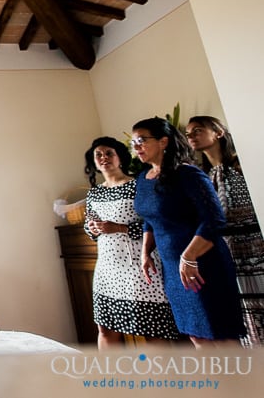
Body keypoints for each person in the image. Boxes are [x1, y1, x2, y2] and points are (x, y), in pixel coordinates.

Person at [131, 117, 245, 347]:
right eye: (133, 142)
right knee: (196, 334)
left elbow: (214, 220)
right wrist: (145, 253)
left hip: (204, 264)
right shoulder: (143, 179)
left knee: (220, 334)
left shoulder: (188, 174)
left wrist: (189, 256)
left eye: (142, 140)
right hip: (173, 269)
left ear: (163, 142)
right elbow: (150, 219)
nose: (137, 147)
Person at [82, 136, 179, 349]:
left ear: (120, 158)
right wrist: (93, 228)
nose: (103, 158)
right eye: (98, 155)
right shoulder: (94, 193)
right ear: (94, 162)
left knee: (152, 328)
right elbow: (88, 226)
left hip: (139, 265)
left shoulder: (139, 185)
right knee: (106, 328)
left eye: (109, 153)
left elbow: (154, 222)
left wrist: (119, 228)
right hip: (107, 266)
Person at [186, 115, 264, 346]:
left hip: (255, 245)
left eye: (198, 130)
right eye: (188, 134)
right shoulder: (201, 175)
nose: (191, 136)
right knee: (243, 309)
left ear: (218, 132)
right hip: (226, 251)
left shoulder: (242, 165)